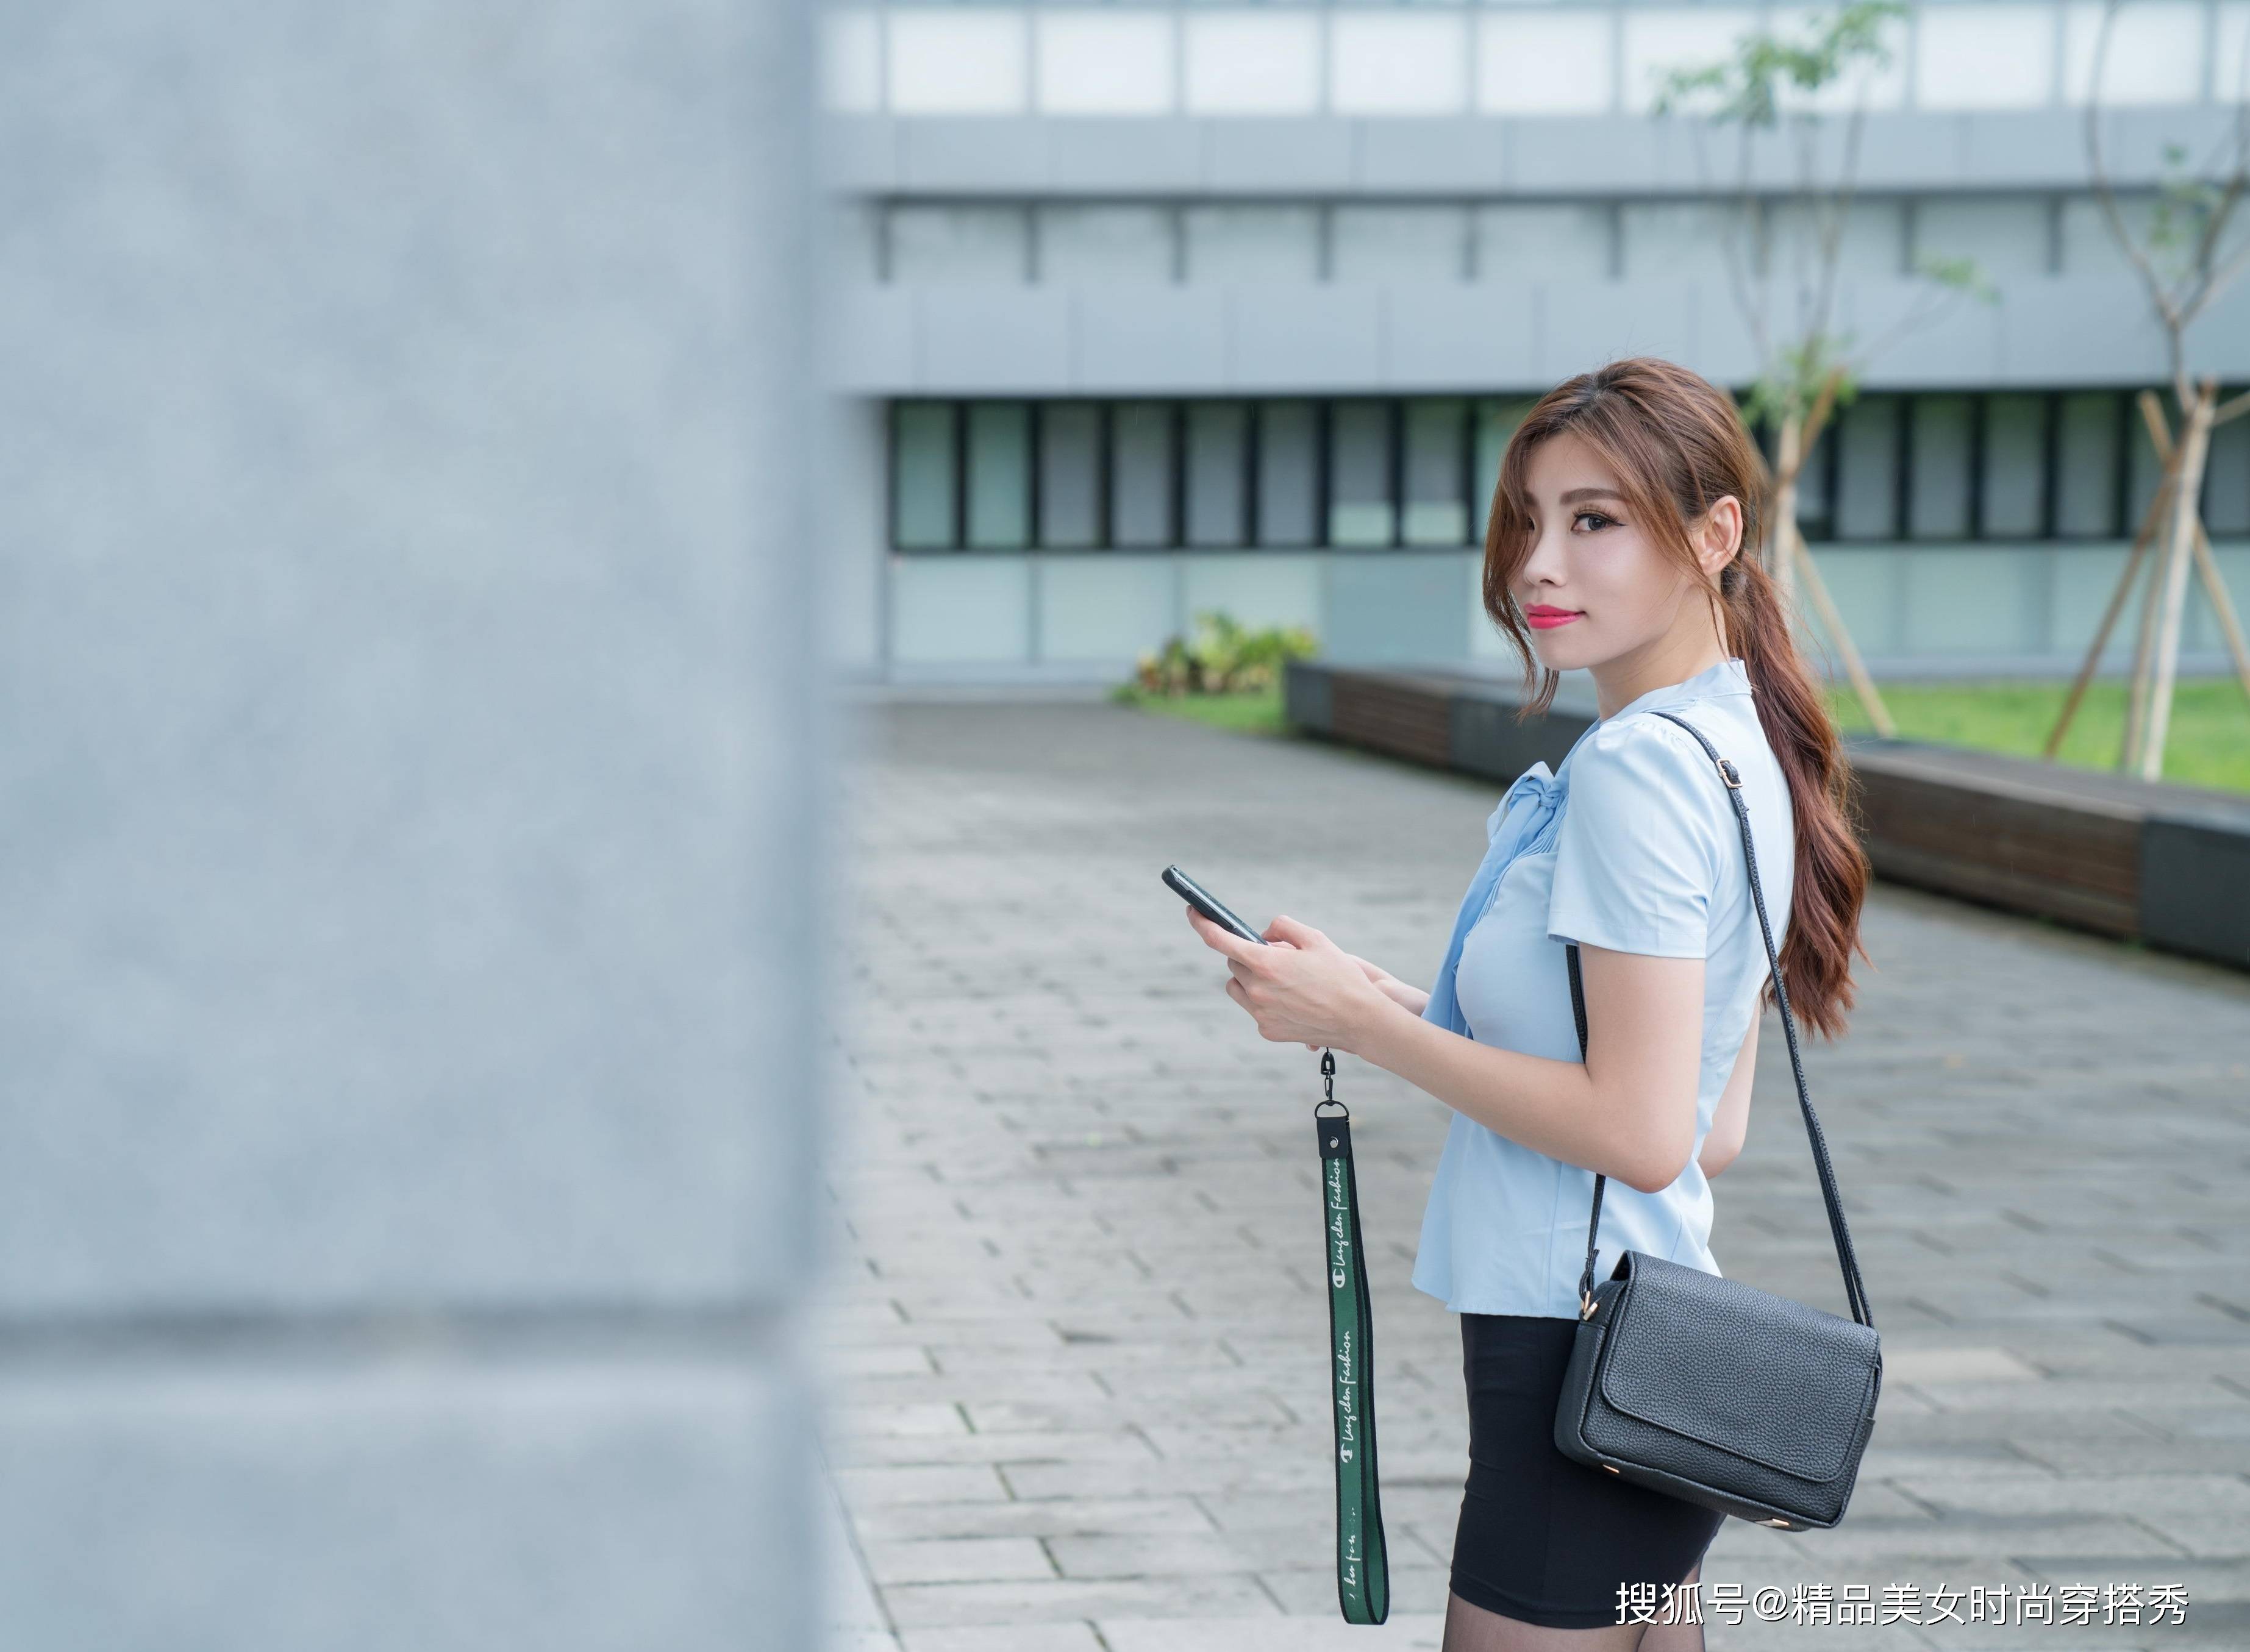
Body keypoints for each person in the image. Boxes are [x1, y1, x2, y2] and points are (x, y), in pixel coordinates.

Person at [1184, 356, 1872, 1650]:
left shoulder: (1638, 775)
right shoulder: (1738, 752)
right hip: (1645, 1362)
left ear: (1714, 534)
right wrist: (1364, 995)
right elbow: (1700, 1123)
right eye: (1529, 521)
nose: (1537, 564)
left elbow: (1639, 1127)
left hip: (1576, 1362)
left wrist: (1366, 1027)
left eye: (1594, 520)